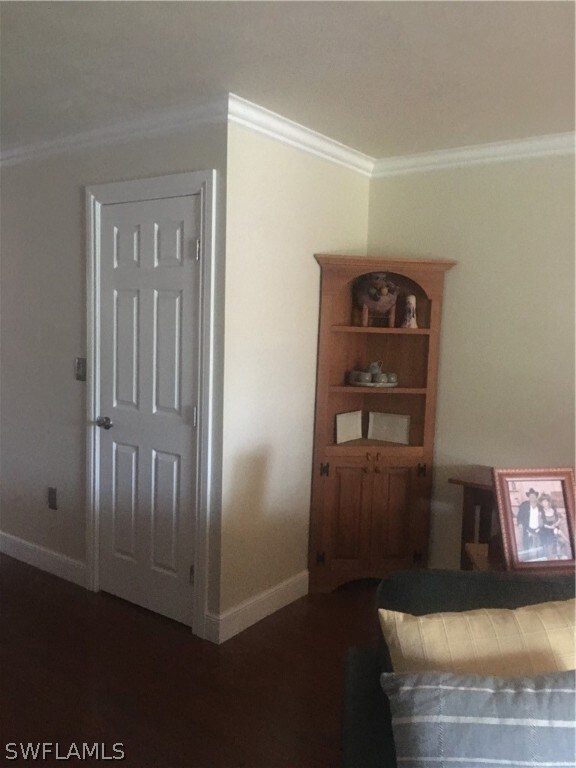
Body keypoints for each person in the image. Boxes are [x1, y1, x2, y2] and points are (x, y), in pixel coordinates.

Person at [539, 494, 570, 559]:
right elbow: (542, 524)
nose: (545, 503)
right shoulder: (541, 512)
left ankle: (568, 547)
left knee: (560, 533)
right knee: (555, 535)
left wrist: (556, 524)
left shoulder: (553, 510)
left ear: (548, 502)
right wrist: (550, 527)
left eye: (546, 501)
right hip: (547, 530)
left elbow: (560, 518)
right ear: (541, 503)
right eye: (543, 502)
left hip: (555, 528)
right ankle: (554, 555)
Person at [516, 488, 543, 560]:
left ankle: (539, 558)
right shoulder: (524, 505)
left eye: (533, 496)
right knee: (526, 543)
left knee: (539, 543)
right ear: (528, 497)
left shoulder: (540, 507)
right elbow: (519, 515)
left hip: (538, 528)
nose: (532, 498)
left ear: (536, 497)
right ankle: (527, 559)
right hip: (527, 527)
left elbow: (542, 518)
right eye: (530, 496)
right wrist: (519, 523)